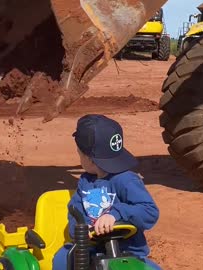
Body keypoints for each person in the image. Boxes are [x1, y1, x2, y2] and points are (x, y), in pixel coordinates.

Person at [52, 114, 160, 270]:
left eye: (79, 154)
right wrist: (83, 230)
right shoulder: (85, 182)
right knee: (62, 257)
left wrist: (115, 214)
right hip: (92, 251)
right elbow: (75, 211)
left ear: (89, 158)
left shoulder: (126, 180)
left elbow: (149, 211)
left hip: (128, 253)